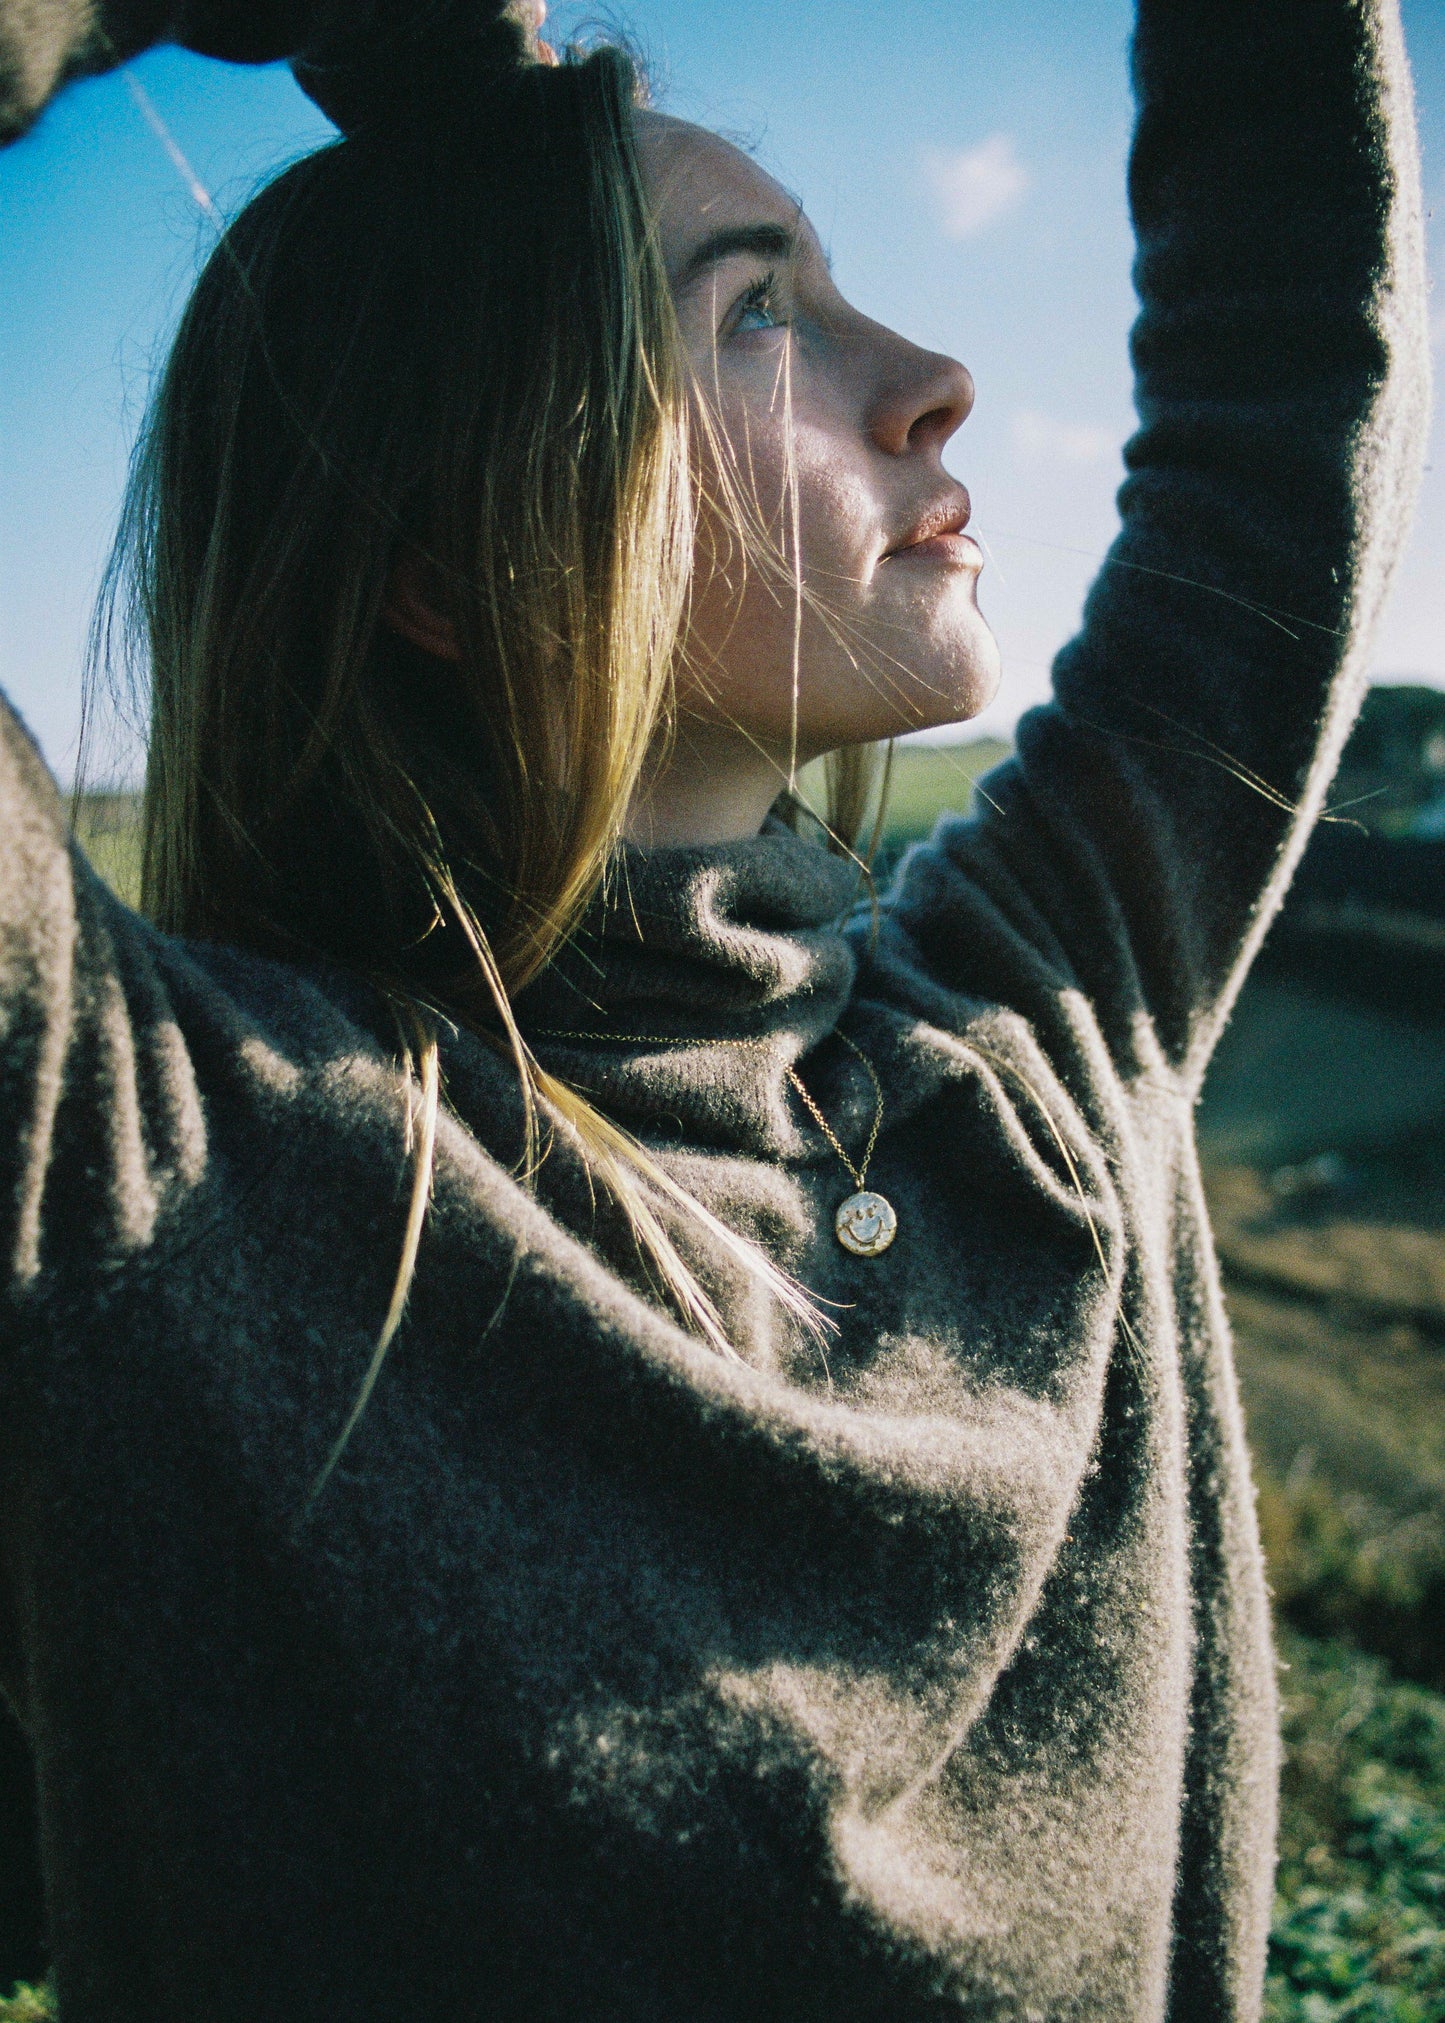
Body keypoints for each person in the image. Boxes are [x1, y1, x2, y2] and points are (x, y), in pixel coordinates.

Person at [0, 0, 1429, 2017]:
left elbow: (1287, 365)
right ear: (460, 542)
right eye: (760, 315)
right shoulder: (159, 1163)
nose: (934, 384)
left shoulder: (1033, 1041)